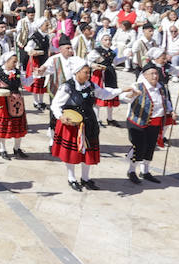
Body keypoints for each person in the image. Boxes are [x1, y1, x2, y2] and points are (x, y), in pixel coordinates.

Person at [51, 57, 130, 190]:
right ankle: (71, 178)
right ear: (77, 72)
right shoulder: (67, 87)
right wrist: (61, 117)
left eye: (89, 72)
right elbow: (55, 105)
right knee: (72, 152)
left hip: (89, 123)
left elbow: (104, 93)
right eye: (85, 72)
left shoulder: (91, 85)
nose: (88, 75)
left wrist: (121, 90)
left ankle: (86, 178)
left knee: (87, 151)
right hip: (72, 125)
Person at [125, 62, 173, 184]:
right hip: (138, 121)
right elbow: (125, 97)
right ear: (145, 75)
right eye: (152, 74)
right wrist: (131, 94)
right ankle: (131, 171)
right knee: (139, 147)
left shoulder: (161, 87)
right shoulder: (137, 86)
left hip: (156, 121)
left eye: (156, 73)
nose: (155, 76)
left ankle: (145, 171)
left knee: (150, 147)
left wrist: (170, 111)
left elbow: (165, 101)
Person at [0, 52, 32, 159]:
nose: (15, 63)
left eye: (16, 61)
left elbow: (26, 83)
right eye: (14, 61)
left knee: (18, 126)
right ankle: (2, 149)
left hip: (16, 103)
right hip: (2, 103)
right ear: (7, 61)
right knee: (3, 127)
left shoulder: (18, 72)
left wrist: (36, 75)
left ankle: (17, 148)